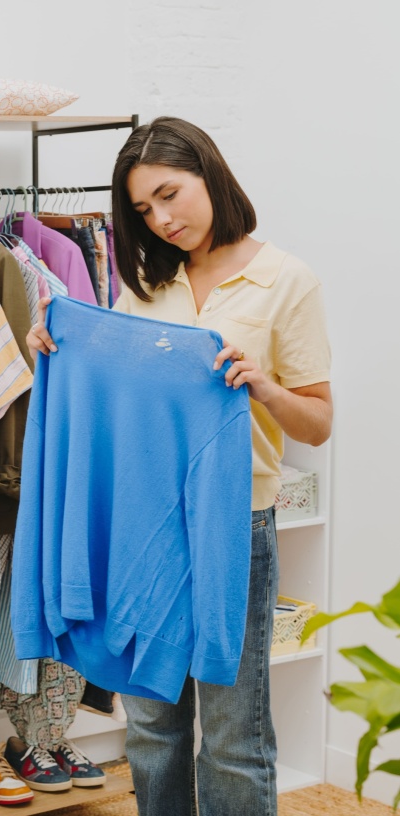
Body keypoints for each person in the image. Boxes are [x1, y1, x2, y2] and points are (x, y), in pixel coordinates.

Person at [25, 116, 333, 816]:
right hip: (143, 525)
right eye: (142, 210)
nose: (161, 219)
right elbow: (116, 386)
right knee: (152, 726)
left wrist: (262, 385)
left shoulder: (286, 280)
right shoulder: (143, 281)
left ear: (208, 174)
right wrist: (54, 343)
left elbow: (316, 421)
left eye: (169, 194)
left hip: (234, 526)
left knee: (232, 735)